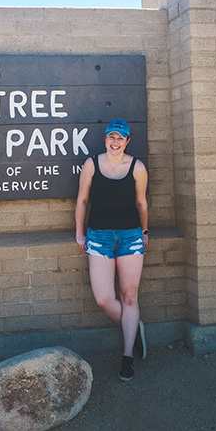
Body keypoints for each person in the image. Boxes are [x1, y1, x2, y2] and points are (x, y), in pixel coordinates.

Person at [75, 118, 149, 382]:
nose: (115, 142)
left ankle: (127, 355)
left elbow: (141, 203)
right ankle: (133, 327)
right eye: (111, 137)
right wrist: (79, 232)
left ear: (127, 141)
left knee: (129, 297)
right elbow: (82, 199)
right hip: (99, 236)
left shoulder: (137, 167)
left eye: (120, 138)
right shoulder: (92, 164)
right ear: (105, 139)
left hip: (130, 235)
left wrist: (144, 231)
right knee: (104, 299)